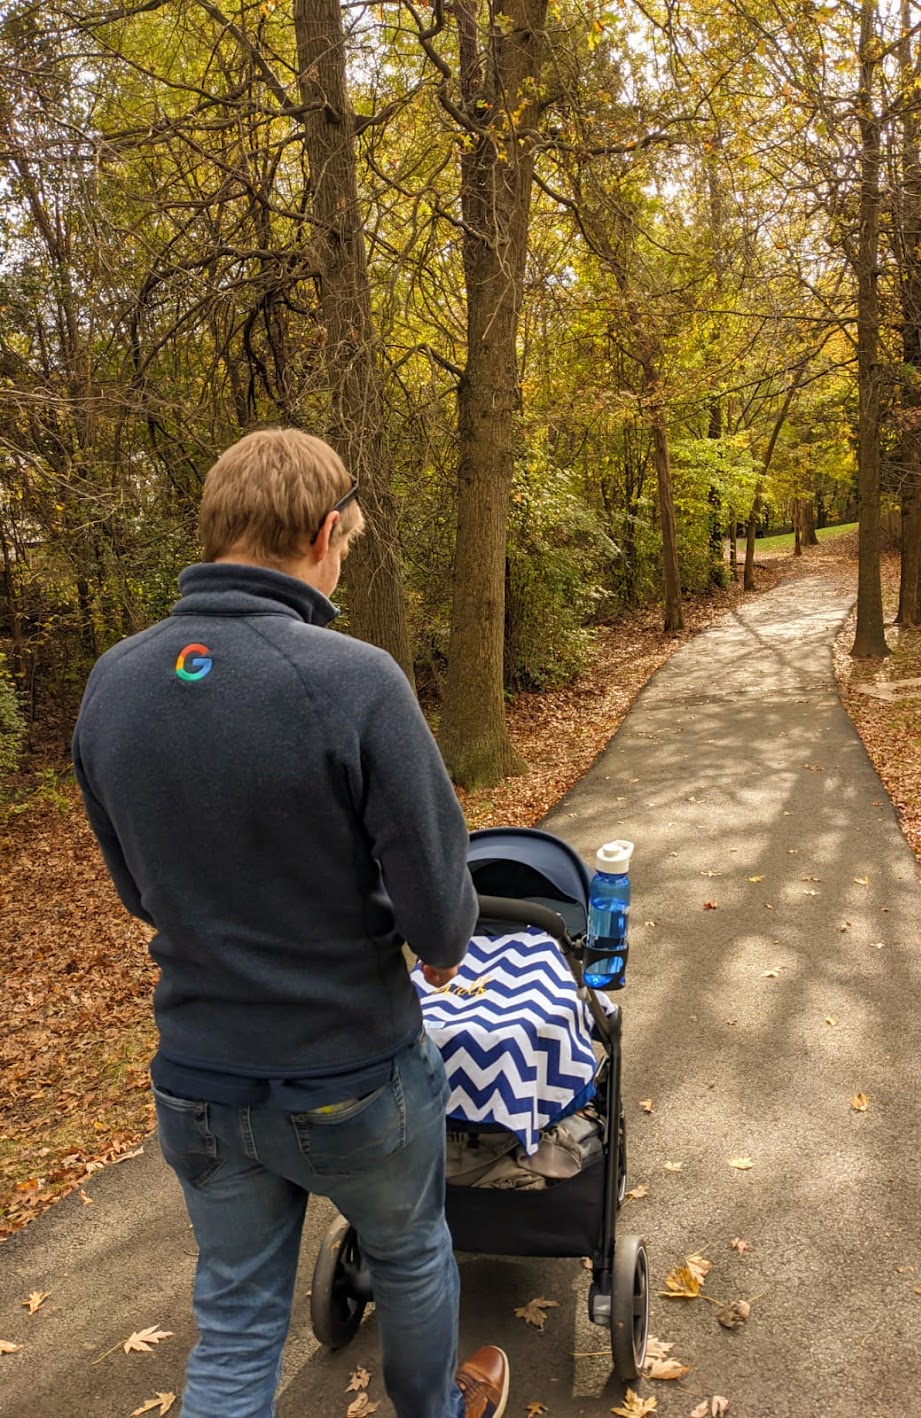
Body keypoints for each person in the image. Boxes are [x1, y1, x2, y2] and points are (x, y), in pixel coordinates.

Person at [72, 428, 509, 1418]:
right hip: (352, 1071)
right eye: (345, 547)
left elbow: (139, 890)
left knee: (233, 1323)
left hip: (199, 1079)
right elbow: (441, 909)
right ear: (321, 532)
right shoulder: (355, 682)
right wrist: (435, 944)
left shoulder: (114, 684)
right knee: (409, 1247)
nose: (342, 563)